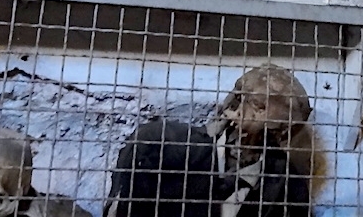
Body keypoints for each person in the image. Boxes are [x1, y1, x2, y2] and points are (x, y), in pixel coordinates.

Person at [107, 66, 312, 217]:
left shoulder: (288, 188)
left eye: (257, 105)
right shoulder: (160, 146)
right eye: (240, 97)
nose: (237, 108)